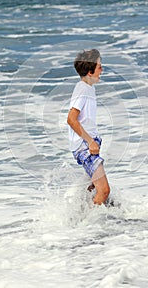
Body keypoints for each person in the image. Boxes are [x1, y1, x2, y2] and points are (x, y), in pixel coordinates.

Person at [67, 49, 111, 205]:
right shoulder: (82, 89)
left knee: (92, 187)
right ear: (90, 71)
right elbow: (71, 119)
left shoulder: (88, 88)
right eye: (99, 66)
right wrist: (90, 142)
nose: (102, 70)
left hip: (89, 144)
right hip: (85, 146)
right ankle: (88, 226)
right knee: (104, 190)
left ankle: (78, 213)